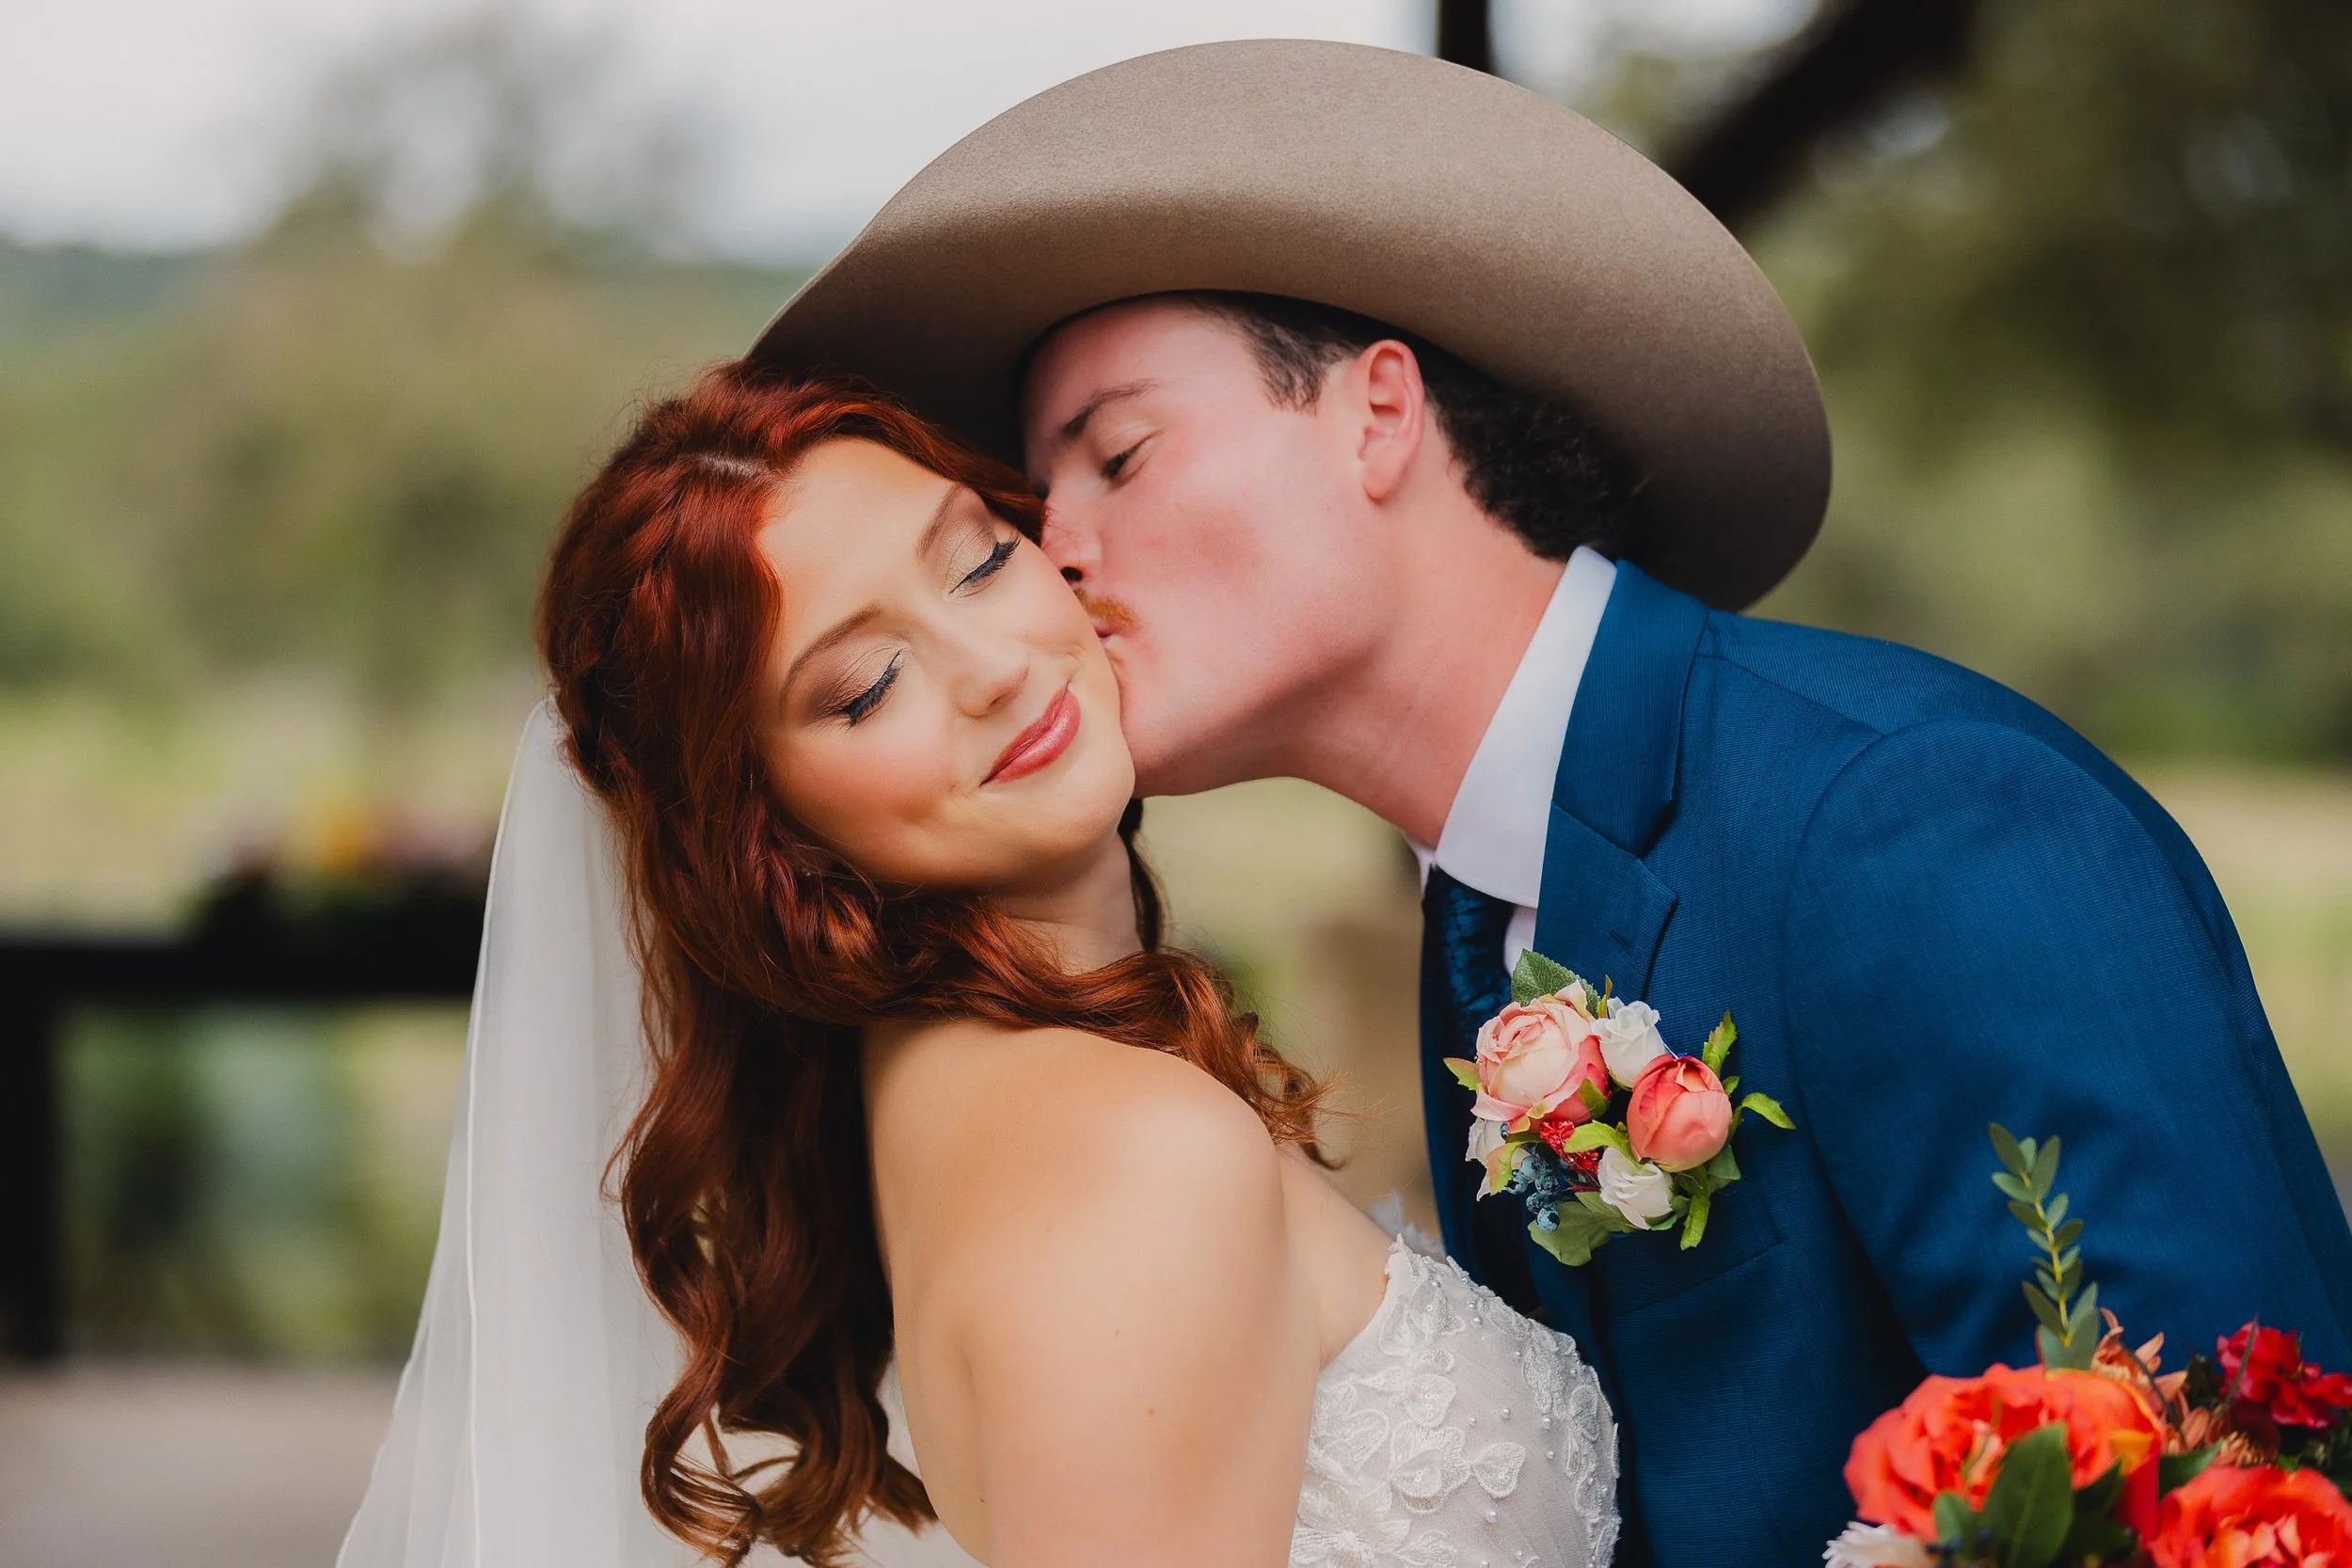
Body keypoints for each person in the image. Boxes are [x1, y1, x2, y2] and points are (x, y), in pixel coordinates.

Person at [745, 38, 2352, 1568]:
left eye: (1118, 455)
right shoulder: (1483, 917)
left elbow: (2235, 1489)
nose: (1060, 559)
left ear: (1378, 411)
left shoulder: (1909, 818)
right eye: (1035, 506)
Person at [340, 361, 1619, 1568]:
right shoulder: (1124, 1152)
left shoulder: (950, 1088)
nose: (994, 668)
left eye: (979, 561)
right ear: (765, 828)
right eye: (864, 686)